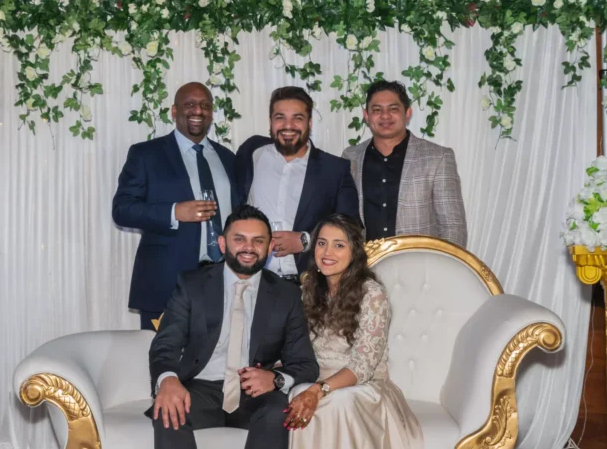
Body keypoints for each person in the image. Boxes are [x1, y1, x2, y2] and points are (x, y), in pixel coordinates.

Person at [264, 213, 449, 449]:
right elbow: (297, 348)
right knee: (300, 396)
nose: (327, 252)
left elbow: (363, 366)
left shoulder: (372, 294)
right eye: (321, 243)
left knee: (337, 404)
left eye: (338, 244)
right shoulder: (306, 289)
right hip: (318, 379)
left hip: (366, 389)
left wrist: (320, 390)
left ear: (355, 251)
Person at [147, 204, 319, 449]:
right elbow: (164, 345)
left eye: (258, 241)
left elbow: (305, 363)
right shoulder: (192, 284)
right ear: (222, 242)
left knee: (278, 412)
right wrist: (169, 380)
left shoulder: (287, 295)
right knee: (167, 410)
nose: (248, 247)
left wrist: (274, 380)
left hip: (252, 390)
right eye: (239, 239)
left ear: (269, 246)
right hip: (202, 389)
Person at [113, 82, 243, 329]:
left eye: (205, 105)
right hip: (166, 283)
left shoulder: (228, 158)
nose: (198, 110)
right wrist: (174, 211)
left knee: (216, 362)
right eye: (190, 104)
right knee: (164, 362)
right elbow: (122, 209)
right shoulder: (146, 154)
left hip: (223, 281)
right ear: (174, 111)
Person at [236, 86, 359, 283]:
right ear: (270, 122)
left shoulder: (334, 169)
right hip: (254, 280)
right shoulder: (252, 152)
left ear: (309, 123)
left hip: (309, 284)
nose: (288, 125)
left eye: (297, 118)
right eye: (280, 117)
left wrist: (306, 241)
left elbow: (352, 228)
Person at [342, 80, 468, 248]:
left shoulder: (438, 158)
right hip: (365, 267)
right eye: (377, 110)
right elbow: (343, 223)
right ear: (366, 115)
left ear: (407, 113)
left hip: (420, 265)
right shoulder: (350, 157)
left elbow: (453, 226)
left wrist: (441, 270)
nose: (385, 116)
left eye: (393, 109)